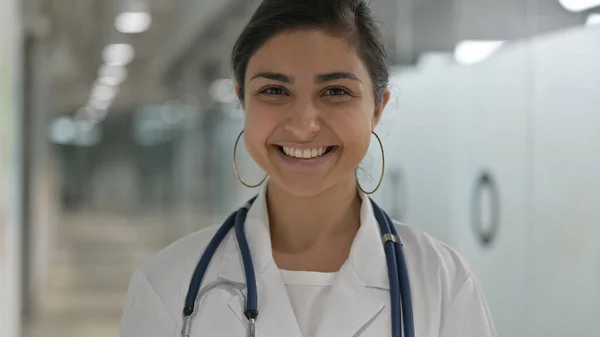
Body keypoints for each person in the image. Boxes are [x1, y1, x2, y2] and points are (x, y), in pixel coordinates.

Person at [119, 0, 497, 336]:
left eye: (335, 92)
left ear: (377, 108)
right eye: (274, 91)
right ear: (242, 102)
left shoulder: (442, 283)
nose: (303, 124)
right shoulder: (167, 285)